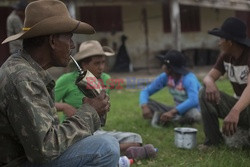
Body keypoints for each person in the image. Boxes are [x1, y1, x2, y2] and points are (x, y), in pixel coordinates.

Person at [0, 1, 119, 167]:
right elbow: (45, 149)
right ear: (53, 41)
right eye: (69, 37)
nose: (72, 45)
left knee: (100, 141)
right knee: (106, 147)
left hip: (29, 158)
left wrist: (96, 109)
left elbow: (50, 136)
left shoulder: (29, 70)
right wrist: (90, 111)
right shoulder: (22, 77)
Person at [55, 40, 146, 155]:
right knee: (101, 142)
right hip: (74, 132)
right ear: (84, 64)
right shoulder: (66, 80)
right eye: (97, 63)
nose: (101, 67)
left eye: (103, 62)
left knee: (135, 139)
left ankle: (109, 151)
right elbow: (47, 104)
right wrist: (64, 106)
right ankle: (115, 152)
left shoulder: (105, 78)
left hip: (96, 131)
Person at [199, 17, 250, 148]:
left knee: (236, 143)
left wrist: (235, 111)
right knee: (204, 92)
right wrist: (210, 83)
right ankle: (213, 142)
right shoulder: (225, 56)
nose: (219, 43)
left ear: (230, 41)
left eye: (221, 39)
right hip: (242, 108)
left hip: (243, 108)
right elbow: (208, 77)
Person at [140, 50, 201, 127]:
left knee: (195, 115)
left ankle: (169, 119)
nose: (162, 67)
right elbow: (146, 91)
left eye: (164, 65)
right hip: (176, 109)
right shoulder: (165, 77)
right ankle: (173, 119)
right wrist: (144, 106)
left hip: (191, 109)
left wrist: (172, 112)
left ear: (170, 68)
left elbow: (194, 100)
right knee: (148, 103)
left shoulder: (189, 79)